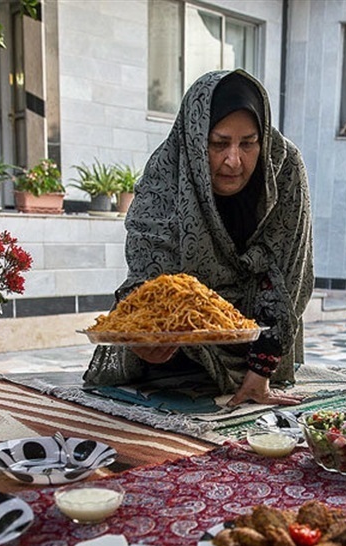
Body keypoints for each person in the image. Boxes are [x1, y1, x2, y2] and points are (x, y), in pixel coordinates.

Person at [82, 69, 314, 407]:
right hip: (180, 352)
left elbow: (290, 273)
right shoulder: (166, 172)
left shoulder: (284, 166)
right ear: (194, 139)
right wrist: (149, 344)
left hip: (263, 346)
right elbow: (149, 283)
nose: (234, 160)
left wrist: (260, 374)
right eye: (219, 143)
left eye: (248, 143)